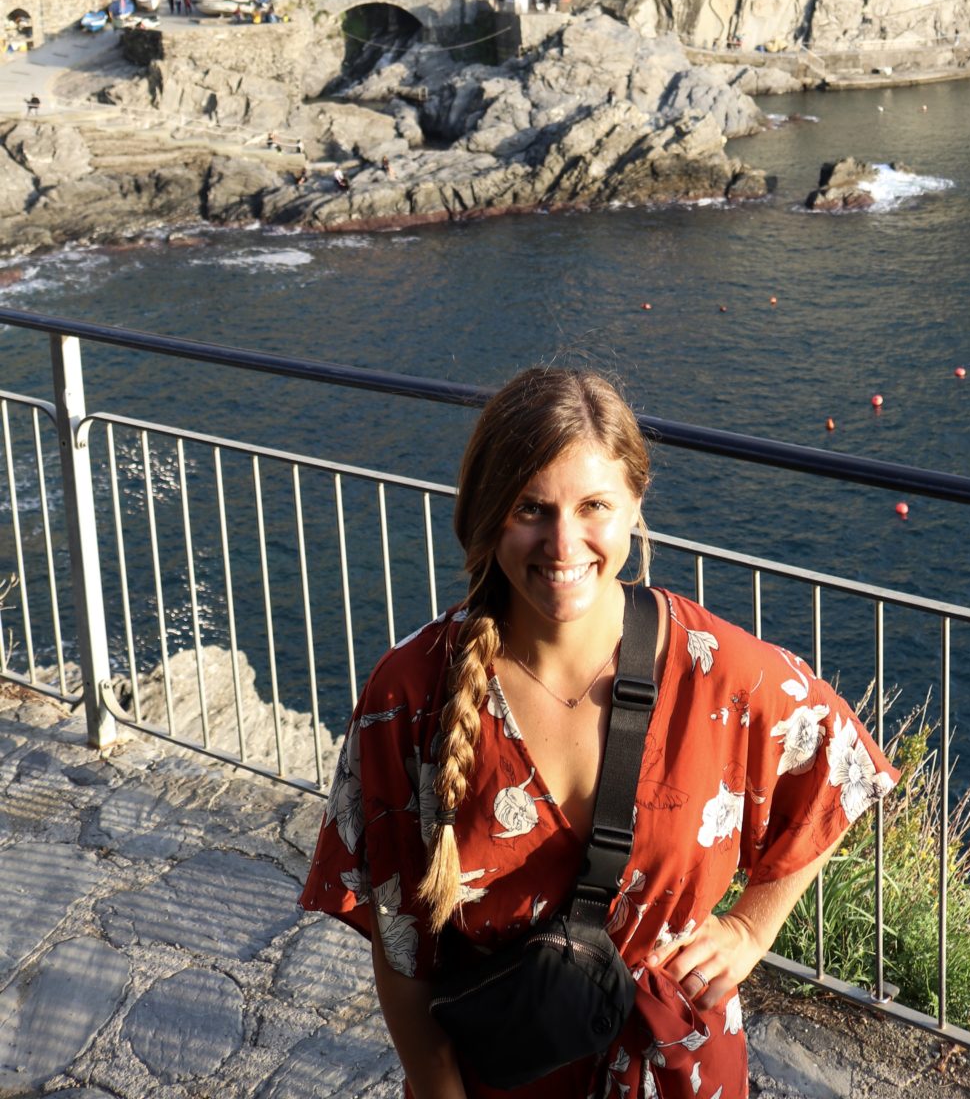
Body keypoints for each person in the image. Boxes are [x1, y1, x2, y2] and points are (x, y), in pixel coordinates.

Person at [300, 368, 897, 1099]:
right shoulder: (412, 693)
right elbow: (400, 946)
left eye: (593, 506)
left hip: (679, 1073)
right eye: (531, 508)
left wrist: (750, 929)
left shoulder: (716, 671)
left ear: (634, 507)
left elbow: (842, 763)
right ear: (488, 513)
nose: (563, 544)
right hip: (507, 1078)